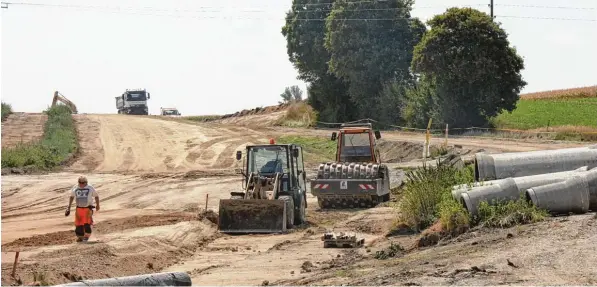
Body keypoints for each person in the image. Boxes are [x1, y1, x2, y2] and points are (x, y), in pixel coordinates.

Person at [65, 176, 100, 242]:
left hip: (87, 209)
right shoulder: (75, 187)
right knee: (78, 225)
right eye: (80, 182)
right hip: (79, 209)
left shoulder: (90, 188)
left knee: (87, 224)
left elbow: (96, 196)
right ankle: (80, 237)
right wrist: (68, 207)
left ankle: (86, 237)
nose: (81, 184)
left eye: (83, 182)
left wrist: (98, 205)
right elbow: (71, 197)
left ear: (86, 182)